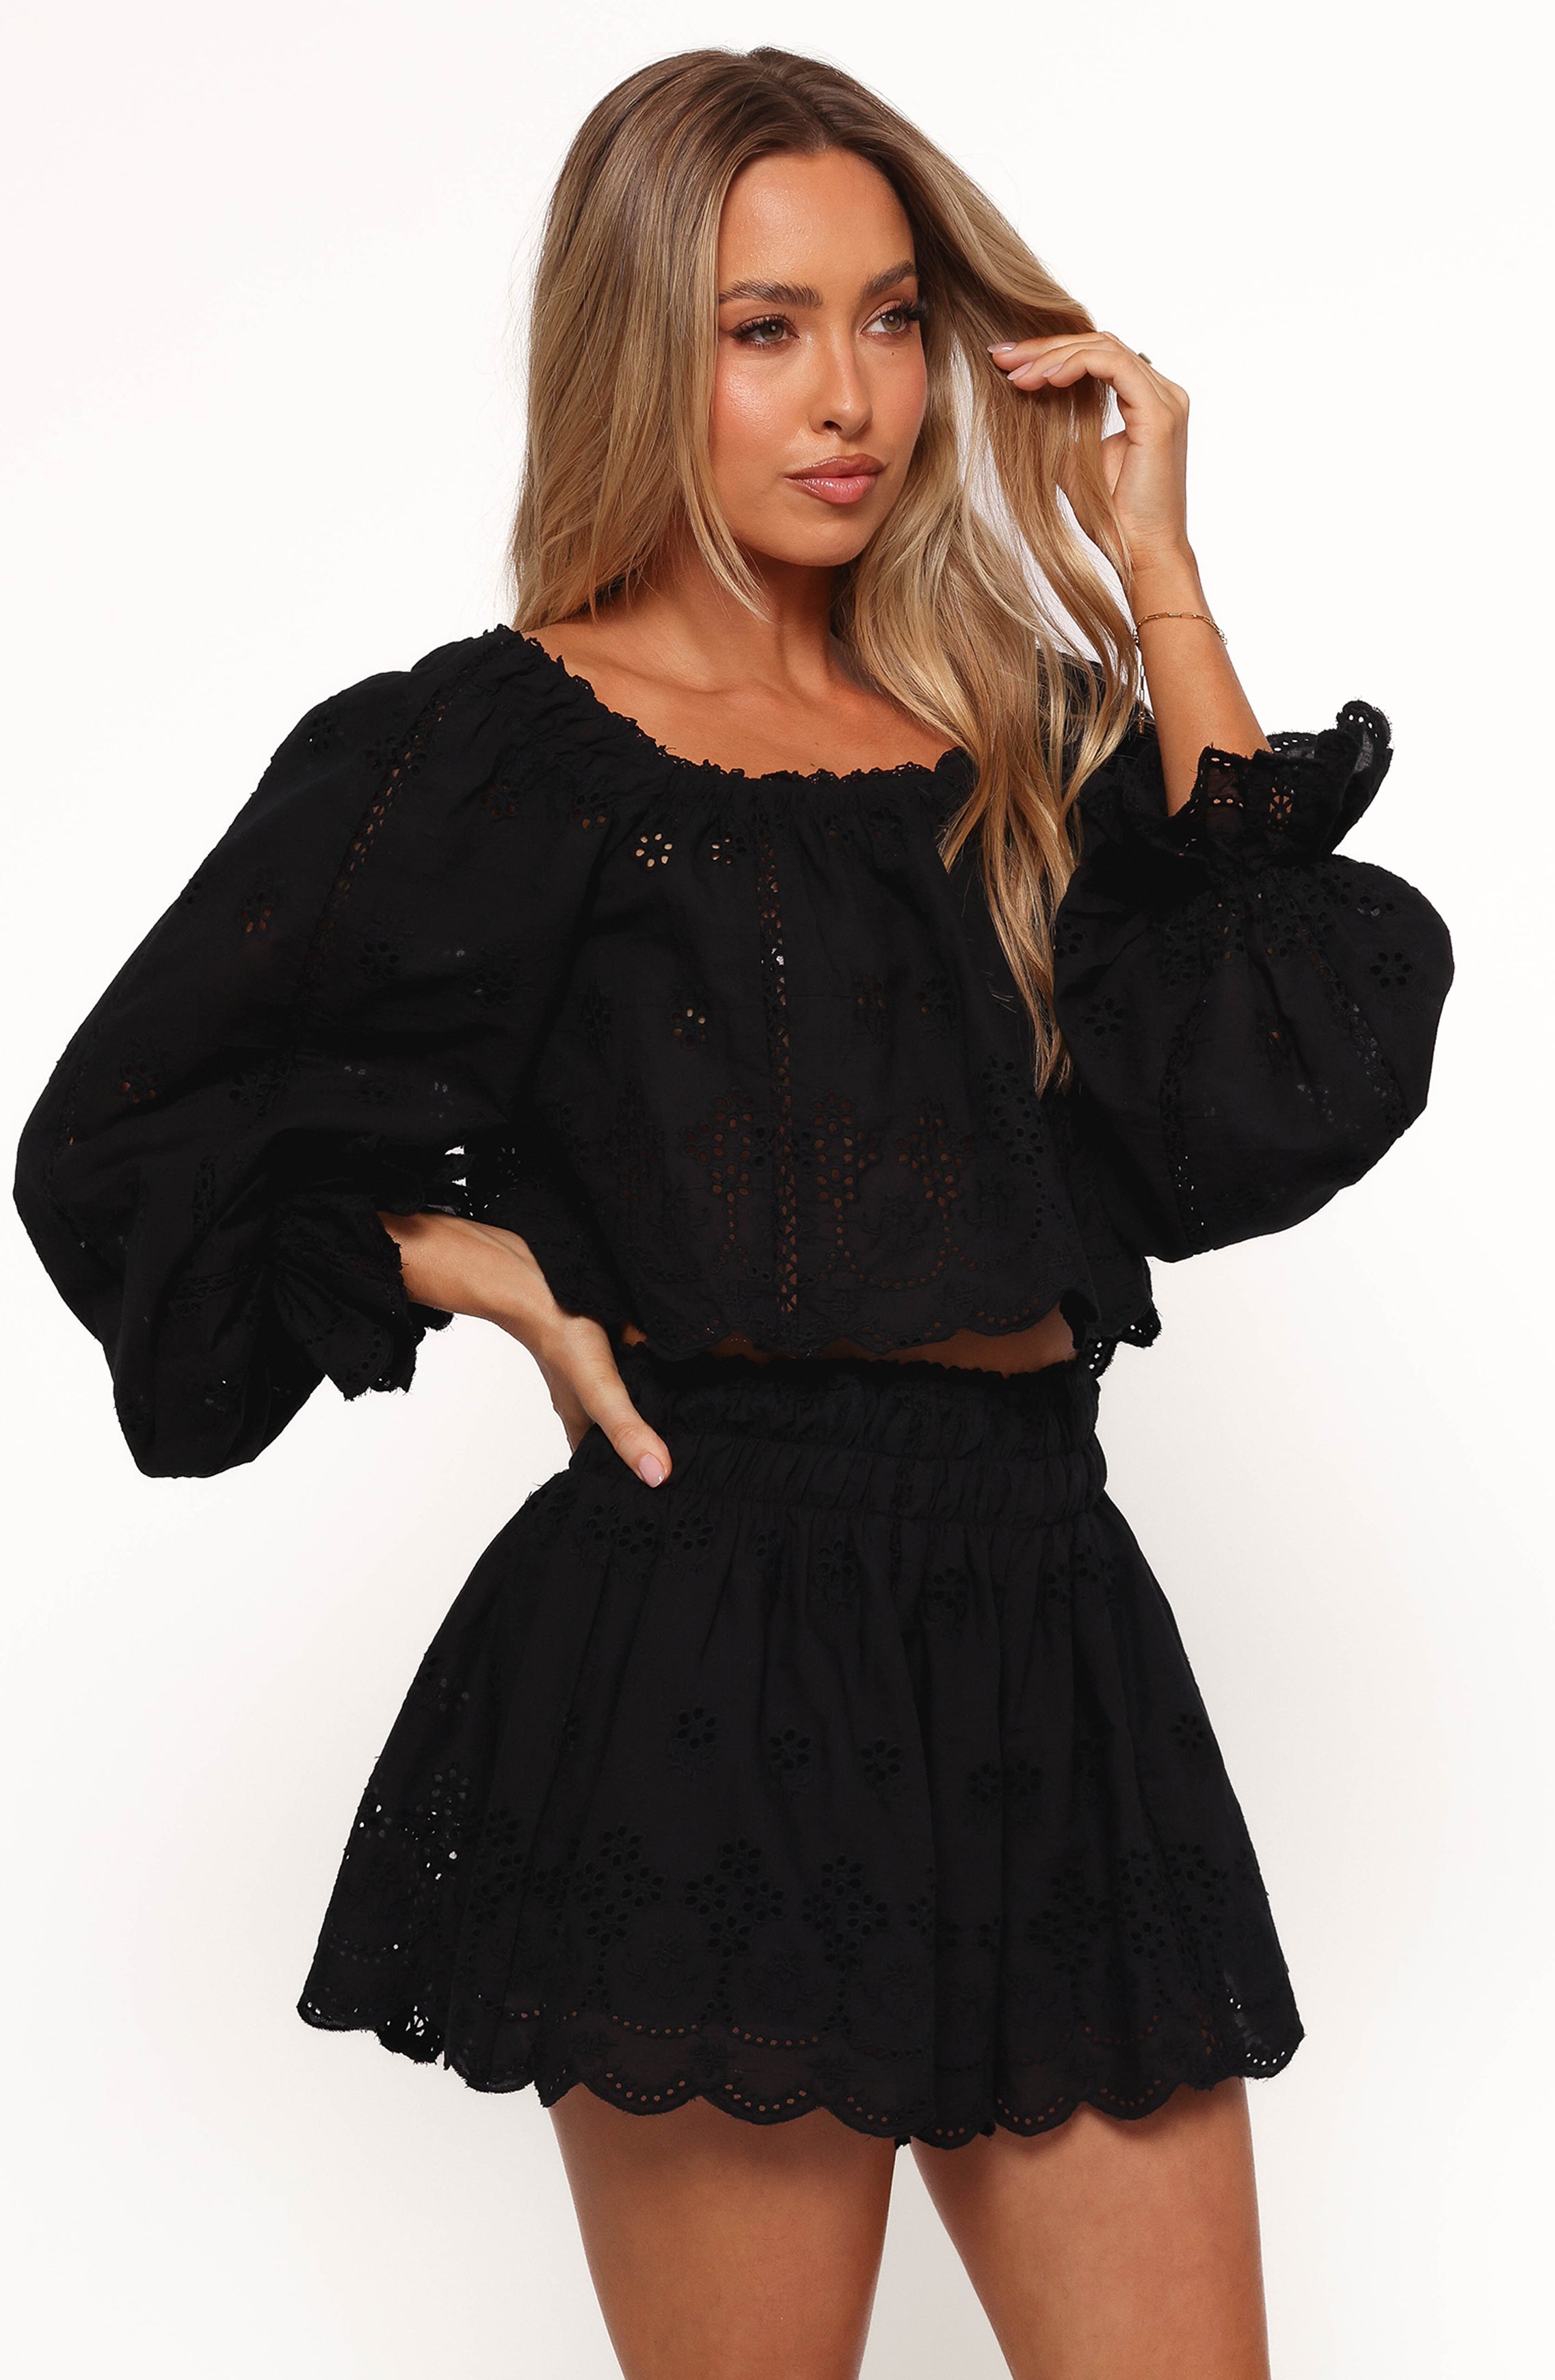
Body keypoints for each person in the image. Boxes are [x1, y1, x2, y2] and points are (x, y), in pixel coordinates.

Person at [13, 44, 1452, 2380]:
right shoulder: (498, 750)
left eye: (890, 319)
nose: (850, 395)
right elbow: (124, 1134)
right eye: (763, 328)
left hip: (1049, 1619)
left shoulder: (1014, 730)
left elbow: (1270, 1068)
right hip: (706, 1642)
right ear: (636, 348)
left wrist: (1162, 579)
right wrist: (442, 1259)